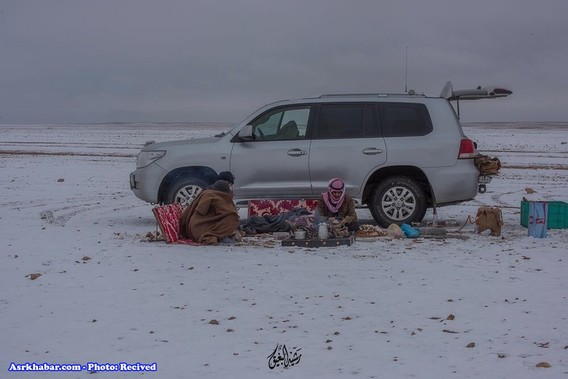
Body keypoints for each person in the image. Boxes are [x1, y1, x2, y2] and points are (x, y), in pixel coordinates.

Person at [179, 180, 240, 245]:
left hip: (193, 228)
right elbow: (229, 212)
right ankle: (218, 235)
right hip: (200, 230)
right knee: (231, 218)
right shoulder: (213, 195)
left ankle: (220, 235)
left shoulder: (207, 192)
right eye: (229, 187)